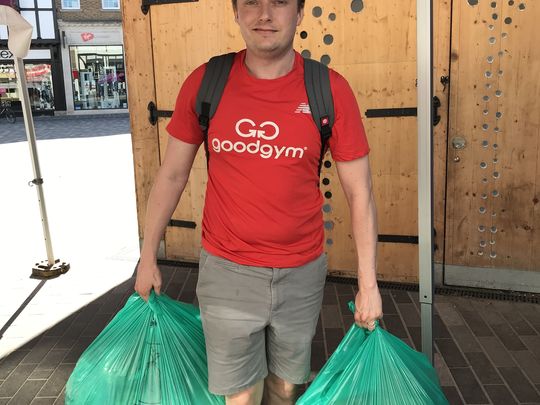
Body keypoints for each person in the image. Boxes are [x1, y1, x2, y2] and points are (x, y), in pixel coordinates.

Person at [135, 0, 383, 404]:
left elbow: (361, 193)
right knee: (241, 396)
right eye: (251, 2)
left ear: (299, 13)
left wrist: (368, 284)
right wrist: (148, 256)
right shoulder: (207, 82)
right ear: (235, 12)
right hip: (227, 271)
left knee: (285, 390)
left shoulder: (328, 89)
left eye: (279, 2)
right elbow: (172, 175)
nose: (264, 14)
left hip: (301, 273)